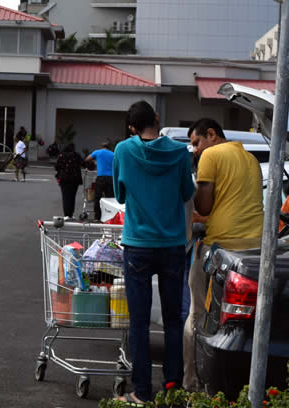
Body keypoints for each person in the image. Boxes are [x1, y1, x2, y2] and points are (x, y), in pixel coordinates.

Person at [112, 101, 194, 404]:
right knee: (174, 321)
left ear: (132, 128)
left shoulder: (123, 150)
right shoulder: (180, 152)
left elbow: (120, 195)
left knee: (139, 323)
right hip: (172, 245)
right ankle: (171, 391)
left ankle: (142, 392)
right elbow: (187, 191)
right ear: (157, 119)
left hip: (138, 246)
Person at [183, 118, 264, 392]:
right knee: (235, 325)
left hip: (219, 249)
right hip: (254, 251)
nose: (194, 149)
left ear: (211, 134)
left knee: (197, 315)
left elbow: (204, 207)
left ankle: (191, 384)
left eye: (196, 142)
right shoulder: (251, 160)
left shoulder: (211, 155)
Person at [53, 144, 84, 219]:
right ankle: (71, 214)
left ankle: (66, 214)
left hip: (64, 179)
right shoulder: (76, 155)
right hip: (75, 179)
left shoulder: (61, 156)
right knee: (72, 196)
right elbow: (83, 163)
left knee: (65, 196)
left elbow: (57, 167)